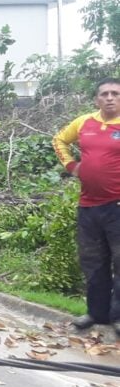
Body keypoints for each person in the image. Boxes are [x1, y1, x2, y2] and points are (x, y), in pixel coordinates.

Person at [53, 77, 120, 336]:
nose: (110, 98)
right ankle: (96, 313)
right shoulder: (83, 123)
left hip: (117, 207)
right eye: (105, 93)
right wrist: (72, 166)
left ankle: (118, 316)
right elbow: (59, 140)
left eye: (115, 93)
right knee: (93, 262)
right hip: (88, 207)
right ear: (97, 99)